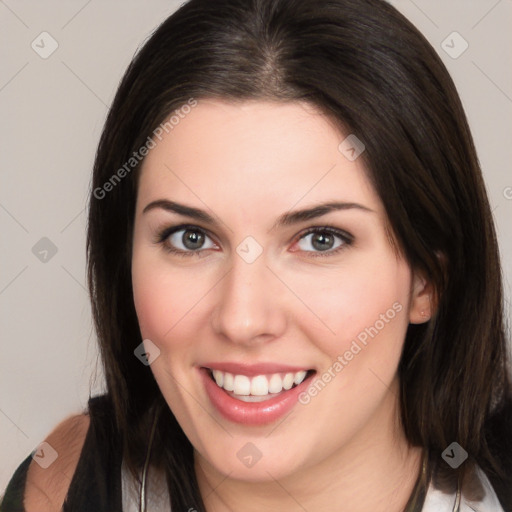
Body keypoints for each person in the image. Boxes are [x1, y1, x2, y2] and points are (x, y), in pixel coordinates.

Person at [2, 0, 511, 510]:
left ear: (427, 281)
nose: (242, 319)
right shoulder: (61, 484)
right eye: (191, 238)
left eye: (320, 239)